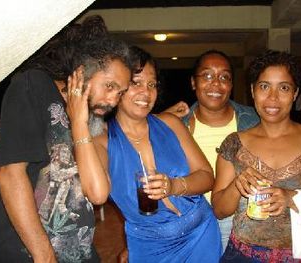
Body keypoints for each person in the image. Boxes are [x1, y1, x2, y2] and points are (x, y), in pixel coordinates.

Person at [0, 34, 133, 262]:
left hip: (77, 252)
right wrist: (45, 254)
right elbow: (10, 173)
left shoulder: (92, 121)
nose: (113, 100)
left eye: (120, 93)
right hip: (26, 251)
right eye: (109, 86)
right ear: (82, 72)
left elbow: (98, 193)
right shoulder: (34, 86)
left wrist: (79, 122)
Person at [94, 46, 222, 262]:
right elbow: (95, 193)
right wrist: (79, 122)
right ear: (118, 86)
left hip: (202, 235)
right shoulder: (102, 142)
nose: (146, 92)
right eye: (136, 83)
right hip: (151, 248)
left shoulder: (170, 123)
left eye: (152, 84)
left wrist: (173, 185)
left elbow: (207, 176)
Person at [212, 50, 301, 262]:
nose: (273, 98)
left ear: (295, 93)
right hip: (241, 256)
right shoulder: (234, 143)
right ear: (252, 91)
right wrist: (236, 186)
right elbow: (219, 210)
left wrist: (291, 197)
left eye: (284, 88)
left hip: (297, 257)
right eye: (264, 86)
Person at [180, 50, 259, 250]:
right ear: (193, 83)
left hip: (238, 219)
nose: (216, 83)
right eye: (207, 75)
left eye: (224, 77)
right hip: (191, 219)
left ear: (231, 85)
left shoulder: (254, 120)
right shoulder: (176, 124)